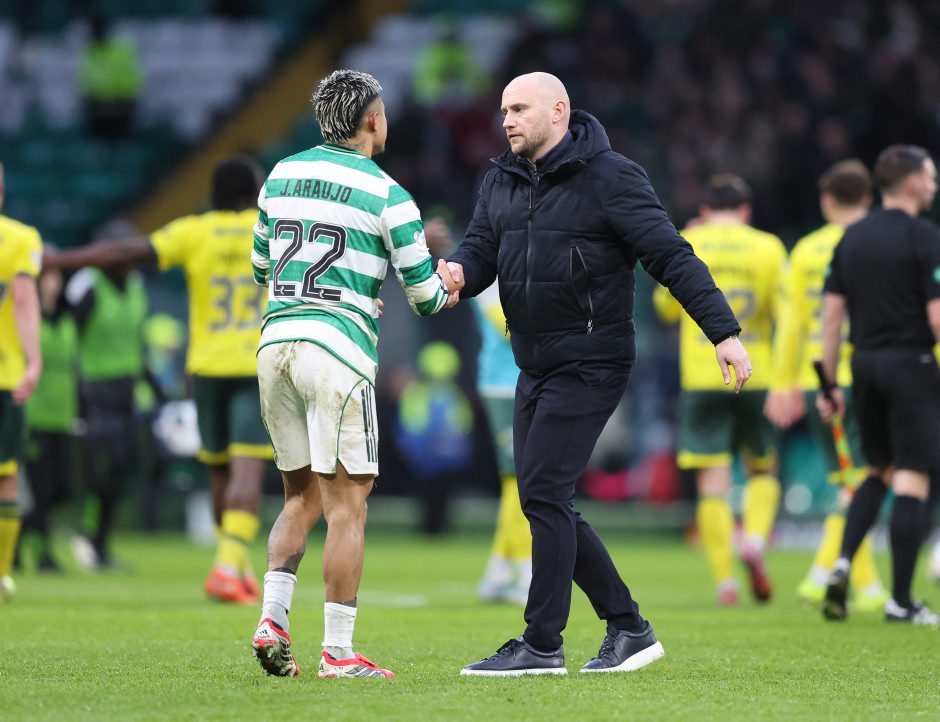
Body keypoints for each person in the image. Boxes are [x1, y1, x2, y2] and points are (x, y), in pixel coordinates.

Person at [446, 72, 751, 676]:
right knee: (542, 497)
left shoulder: (612, 176)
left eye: (519, 109)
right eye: (504, 110)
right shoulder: (500, 179)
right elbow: (481, 252)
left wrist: (723, 332)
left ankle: (542, 644)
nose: (507, 120)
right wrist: (456, 271)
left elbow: (671, 255)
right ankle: (629, 628)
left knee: (543, 493)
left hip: (592, 359)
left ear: (559, 111)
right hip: (533, 361)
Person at [248, 69, 458, 680]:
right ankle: (338, 653)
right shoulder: (389, 194)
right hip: (337, 354)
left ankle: (272, 620)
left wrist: (352, 293)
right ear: (371, 119)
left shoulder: (281, 173)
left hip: (276, 345)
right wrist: (449, 280)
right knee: (347, 507)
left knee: (299, 497)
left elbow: (263, 268)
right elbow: (425, 298)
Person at [46, 157, 273, 601]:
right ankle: (228, 565)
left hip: (205, 367)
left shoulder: (194, 231)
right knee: (248, 466)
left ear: (214, 194)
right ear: (254, 193)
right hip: (254, 364)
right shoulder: (269, 229)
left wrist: (55, 260)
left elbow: (121, 253)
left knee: (218, 469)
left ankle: (232, 566)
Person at [818, 144, 940, 626]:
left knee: (877, 469)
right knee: (912, 476)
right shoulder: (925, 237)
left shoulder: (852, 238)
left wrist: (829, 384)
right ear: (912, 184)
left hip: (863, 366)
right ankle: (902, 602)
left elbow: (831, 319)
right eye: (931, 178)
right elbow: (937, 317)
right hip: (911, 364)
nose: (934, 186)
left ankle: (842, 563)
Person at [654, 174, 786, 607]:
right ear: (746, 210)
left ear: (705, 210)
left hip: (703, 375)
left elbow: (666, 308)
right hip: (756, 371)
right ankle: (755, 540)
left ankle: (725, 581)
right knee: (762, 468)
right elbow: (783, 312)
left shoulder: (689, 241)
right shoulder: (768, 247)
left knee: (712, 481)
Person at [764, 160, 889, 610]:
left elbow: (792, 324)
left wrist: (783, 382)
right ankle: (833, 577)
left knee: (850, 483)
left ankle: (845, 578)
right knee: (861, 482)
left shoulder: (806, 251)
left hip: (817, 379)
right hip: (868, 373)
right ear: (868, 199)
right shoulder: (879, 241)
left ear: (826, 201)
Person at [0, 161, 43, 602]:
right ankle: (1, 573)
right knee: (7, 476)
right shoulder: (19, 238)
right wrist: (34, 361)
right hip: (5, 373)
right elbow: (25, 300)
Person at [473, 282, 531, 605]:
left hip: (517, 382)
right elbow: (510, 329)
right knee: (518, 480)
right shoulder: (490, 280)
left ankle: (498, 570)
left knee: (518, 480)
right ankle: (525, 571)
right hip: (503, 386)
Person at [20, 261, 78, 572]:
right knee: (39, 491)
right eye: (48, 276)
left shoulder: (68, 319)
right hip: (34, 417)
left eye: (57, 276)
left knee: (60, 489)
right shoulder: (27, 319)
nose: (54, 282)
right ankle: (41, 554)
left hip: (63, 417)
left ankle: (17, 536)